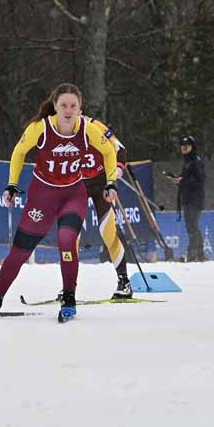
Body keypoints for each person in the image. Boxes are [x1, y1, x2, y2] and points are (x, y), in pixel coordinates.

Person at [0, 83, 118, 323]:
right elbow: (19, 151)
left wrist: (110, 182)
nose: (68, 110)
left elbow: (109, 152)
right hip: (42, 196)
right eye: (63, 105)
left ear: (80, 108)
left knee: (66, 240)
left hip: (72, 195)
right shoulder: (41, 127)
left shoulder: (87, 129)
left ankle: (69, 298)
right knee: (19, 251)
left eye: (74, 106)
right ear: (55, 107)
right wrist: (12, 184)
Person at [78, 119, 132, 297]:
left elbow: (120, 149)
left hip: (101, 182)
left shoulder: (94, 125)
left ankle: (124, 281)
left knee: (108, 231)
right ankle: (68, 287)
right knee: (69, 234)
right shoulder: (57, 127)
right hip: (78, 184)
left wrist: (116, 171)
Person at [170, 135, 205, 262]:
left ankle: (193, 253)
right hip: (188, 197)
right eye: (182, 146)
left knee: (192, 226)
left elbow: (200, 181)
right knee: (192, 225)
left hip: (194, 199)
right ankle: (199, 253)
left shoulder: (196, 161)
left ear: (192, 147)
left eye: (187, 146)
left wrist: (183, 180)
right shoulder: (187, 162)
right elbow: (187, 178)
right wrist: (178, 179)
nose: (184, 148)